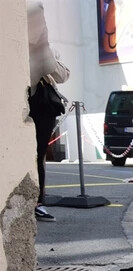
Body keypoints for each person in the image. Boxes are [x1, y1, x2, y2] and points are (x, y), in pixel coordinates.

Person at [28, 0, 69, 222]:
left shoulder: (49, 48)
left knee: (39, 153)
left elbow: (63, 75)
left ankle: (38, 202)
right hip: (25, 102)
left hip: (43, 106)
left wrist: (45, 53)